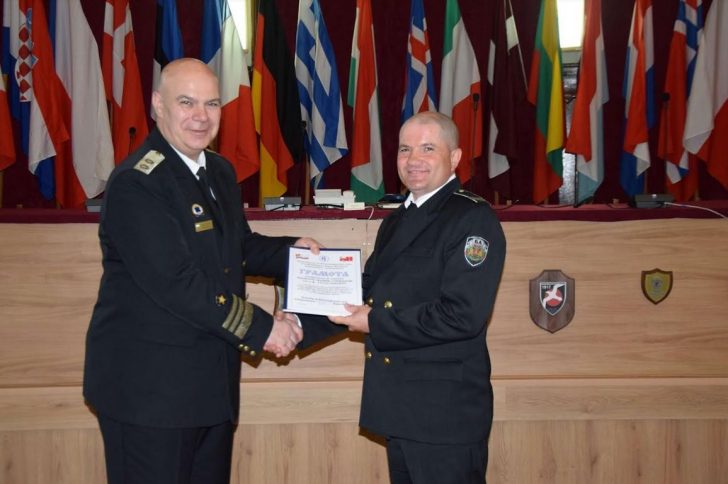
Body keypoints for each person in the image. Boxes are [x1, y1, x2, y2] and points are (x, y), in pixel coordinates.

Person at [83, 58, 323, 484]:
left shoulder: (219, 171)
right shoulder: (137, 183)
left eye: (211, 104)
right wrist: (262, 328)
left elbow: (235, 249)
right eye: (186, 102)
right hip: (150, 394)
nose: (201, 116)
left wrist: (293, 252)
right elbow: (176, 282)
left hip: (209, 387)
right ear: (158, 105)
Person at [330, 112, 506, 484]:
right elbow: (366, 289)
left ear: (454, 158)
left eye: (428, 148)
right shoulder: (397, 220)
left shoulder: (472, 219)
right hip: (402, 408)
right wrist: (305, 299)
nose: (413, 160)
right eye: (405, 149)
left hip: (444, 416)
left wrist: (374, 322)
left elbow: (462, 315)